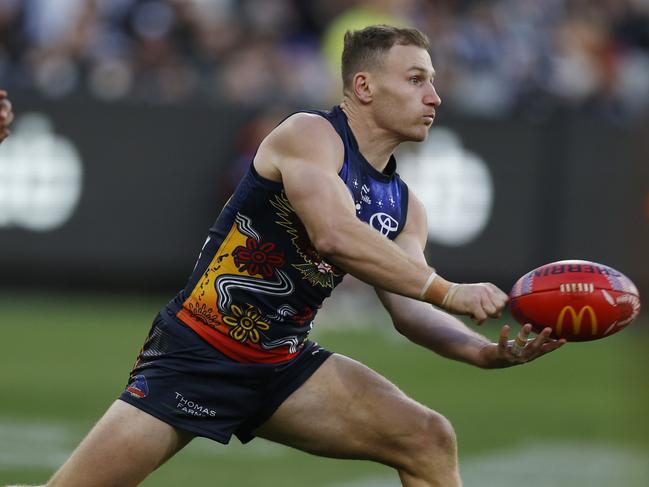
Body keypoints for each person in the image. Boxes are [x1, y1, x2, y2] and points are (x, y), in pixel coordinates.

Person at [8, 25, 566, 487]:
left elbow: (408, 309)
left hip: (282, 367)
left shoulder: (405, 206)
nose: (435, 96)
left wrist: (480, 353)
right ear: (365, 86)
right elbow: (335, 235)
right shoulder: (310, 135)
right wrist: (449, 289)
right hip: (200, 353)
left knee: (428, 438)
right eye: (416, 79)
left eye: (434, 82)